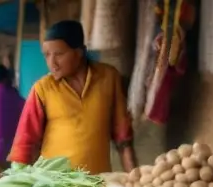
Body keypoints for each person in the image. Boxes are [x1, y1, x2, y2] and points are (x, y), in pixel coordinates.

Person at [9, 21, 135, 174]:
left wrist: (134, 177)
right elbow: (25, 142)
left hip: (96, 184)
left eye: (59, 54)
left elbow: (122, 134)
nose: (52, 63)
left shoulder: (108, 77)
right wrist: (17, 181)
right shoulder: (43, 89)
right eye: (47, 55)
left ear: (80, 52)